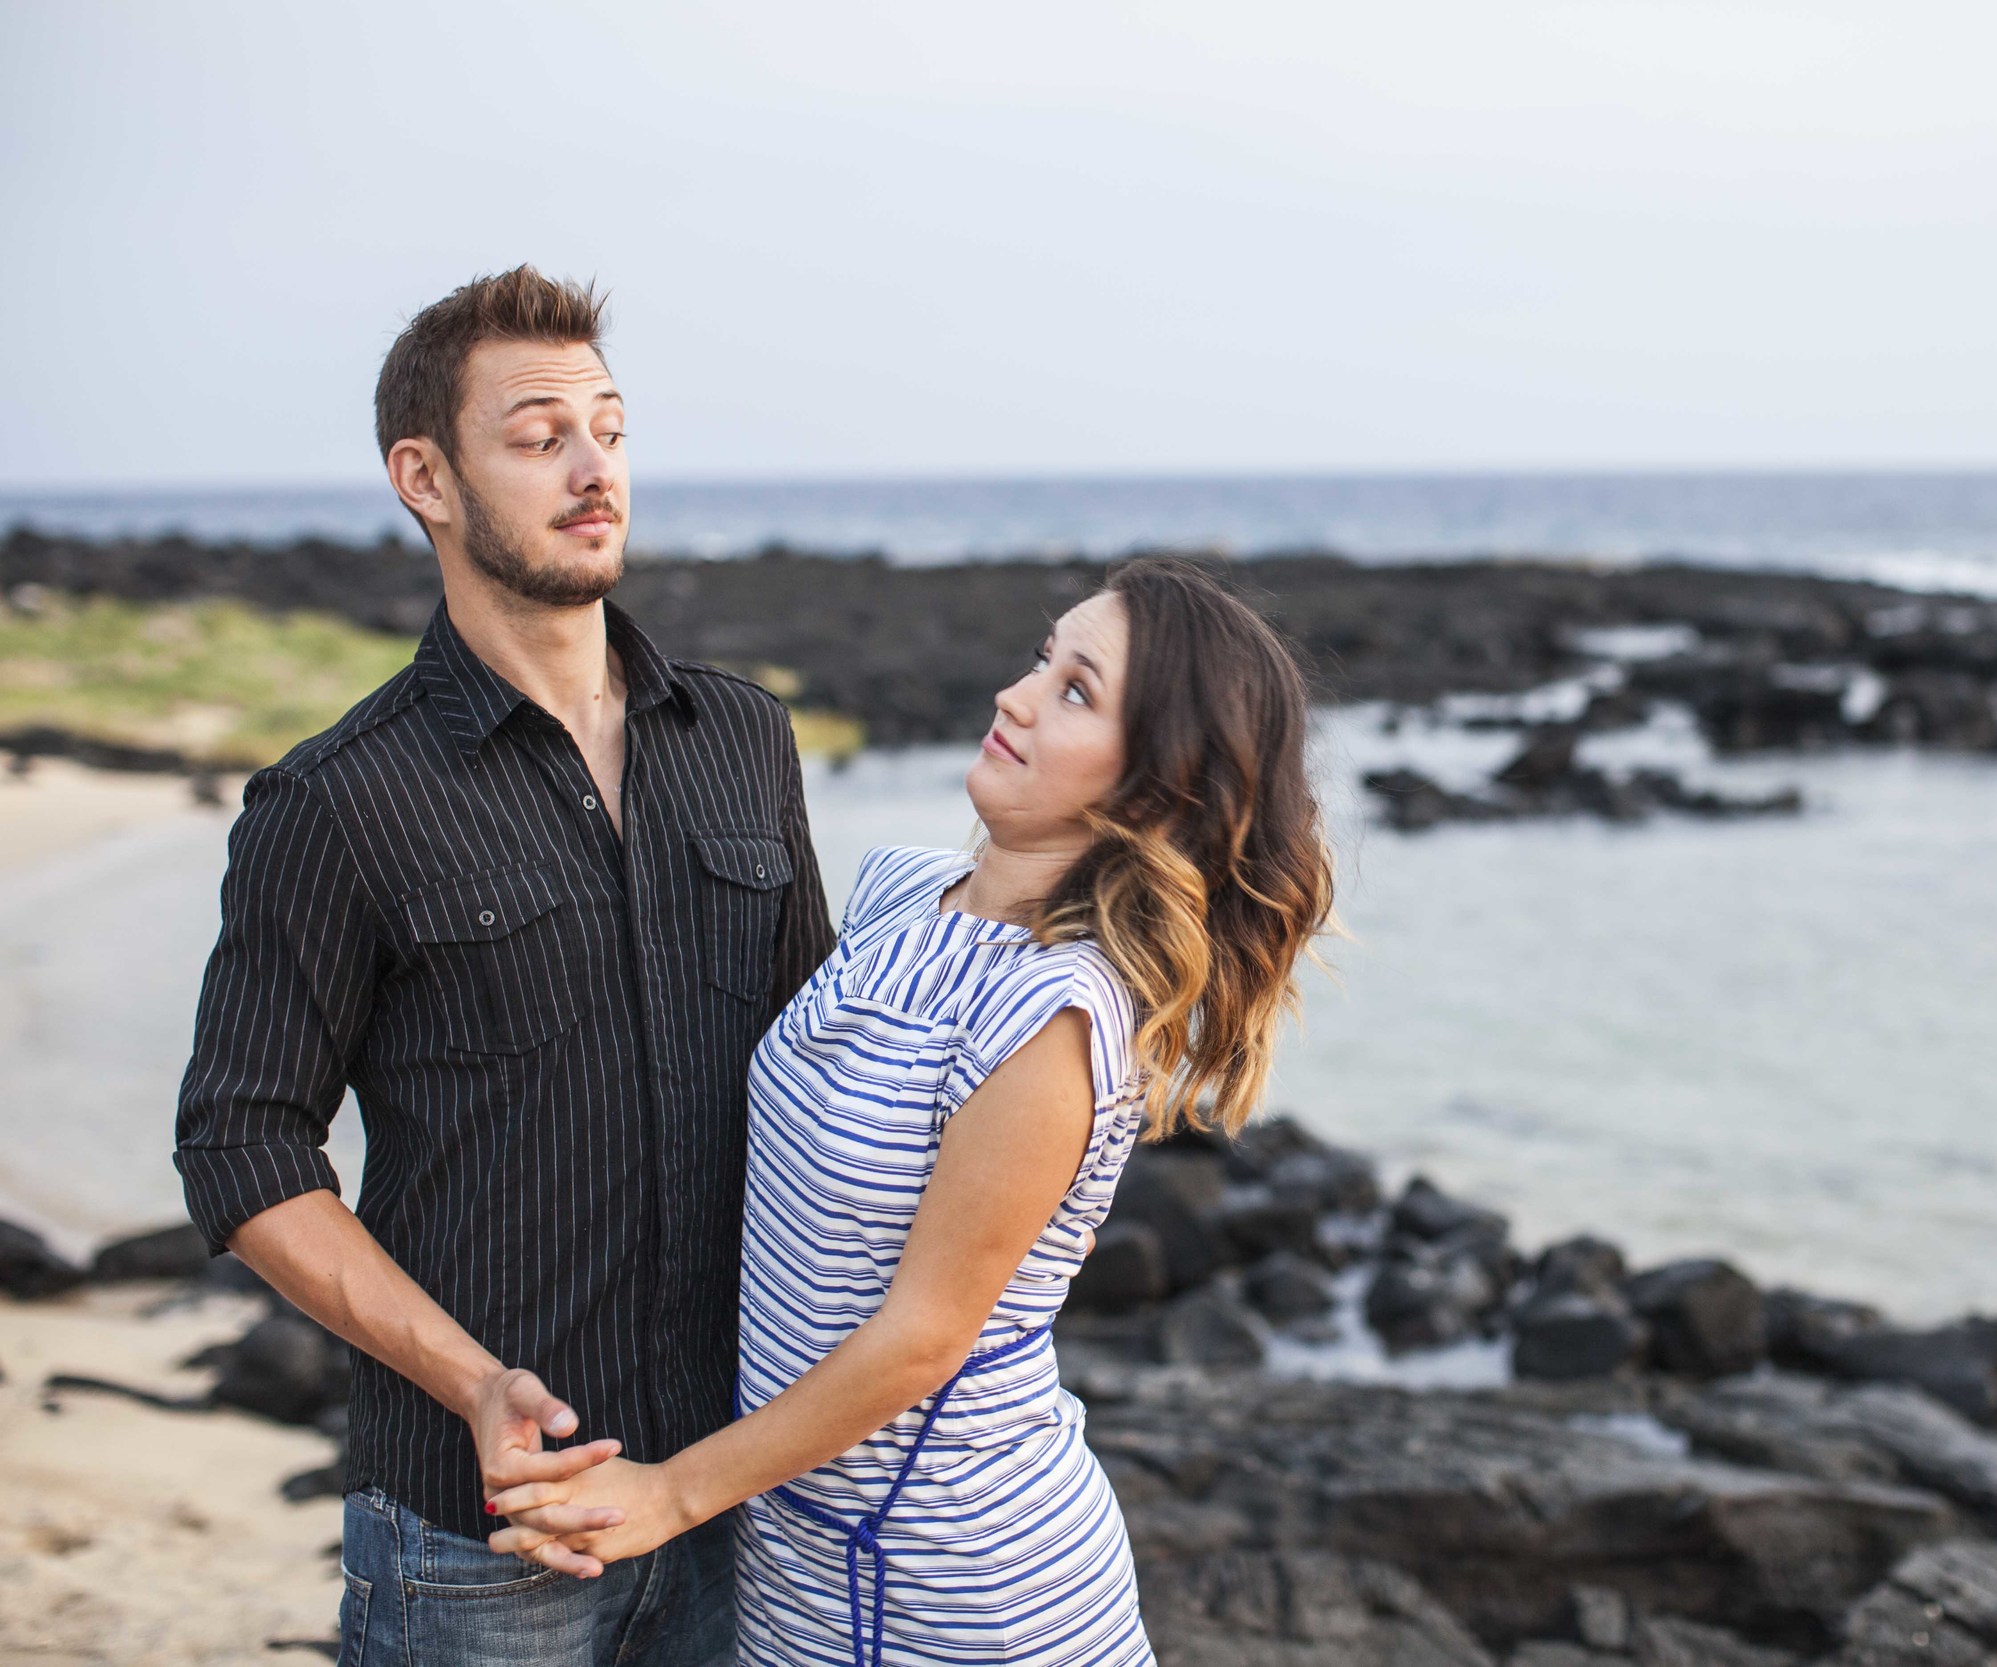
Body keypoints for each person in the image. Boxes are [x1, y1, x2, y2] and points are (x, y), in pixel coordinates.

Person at [482, 556, 1337, 1666]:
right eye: (1041, 658)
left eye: (1076, 690)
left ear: (1158, 786)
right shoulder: (896, 892)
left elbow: (924, 1334)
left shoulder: (1053, 1009)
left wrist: (669, 1493)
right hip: (799, 1554)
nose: (1015, 696)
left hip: (954, 1581)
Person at [174, 265, 835, 1666]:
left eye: (611, 427)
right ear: (425, 475)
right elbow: (241, 1144)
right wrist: (475, 1383)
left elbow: (815, 1066)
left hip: (728, 1502)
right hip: (479, 1540)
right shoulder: (336, 801)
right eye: (541, 436)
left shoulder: (743, 739)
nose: (596, 469)